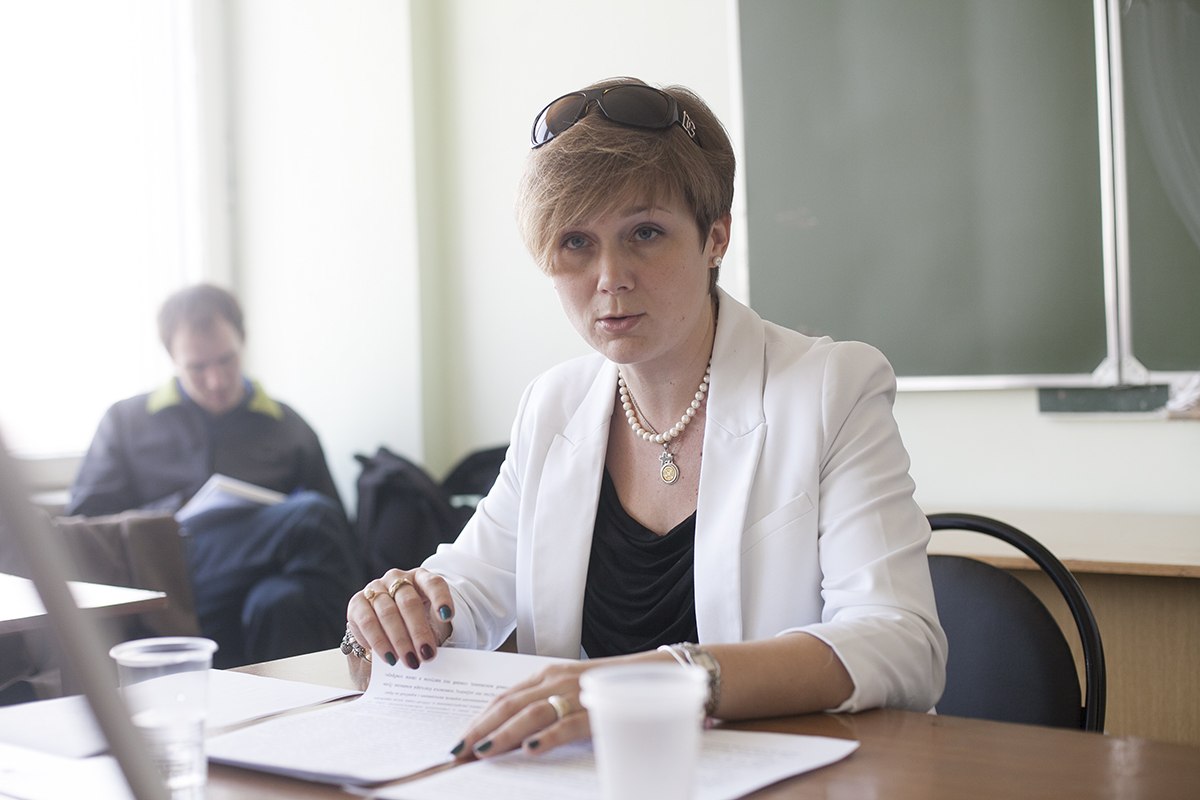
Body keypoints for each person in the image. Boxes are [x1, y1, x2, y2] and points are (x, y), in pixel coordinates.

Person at [344, 77, 947, 757]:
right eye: (576, 242)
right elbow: (471, 587)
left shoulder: (831, 388)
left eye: (646, 233)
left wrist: (666, 681)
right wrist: (403, 613)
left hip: (783, 775)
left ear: (714, 238)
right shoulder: (554, 404)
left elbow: (902, 642)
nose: (610, 277)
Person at [68, 284, 360, 667]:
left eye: (227, 360)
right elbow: (85, 525)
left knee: (280, 598)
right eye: (198, 368)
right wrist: (175, 511)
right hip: (166, 569)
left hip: (256, 581)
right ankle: (366, 656)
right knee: (312, 517)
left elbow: (338, 538)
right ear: (172, 358)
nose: (217, 380)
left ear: (243, 342)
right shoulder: (126, 421)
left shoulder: (287, 426)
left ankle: (304, 695)